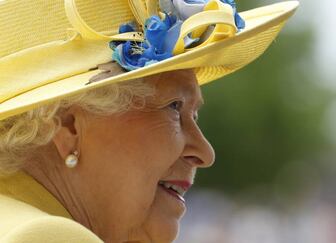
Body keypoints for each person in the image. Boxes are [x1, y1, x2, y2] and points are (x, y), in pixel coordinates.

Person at [0, 0, 298, 242]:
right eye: (173, 107)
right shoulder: (45, 237)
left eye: (194, 115)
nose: (205, 153)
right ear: (69, 127)